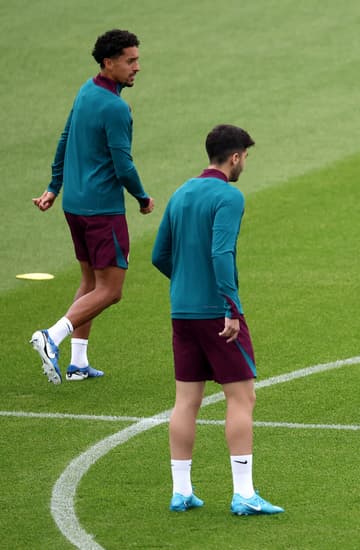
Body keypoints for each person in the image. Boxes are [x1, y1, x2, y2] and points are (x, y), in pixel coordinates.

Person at [152, 124, 283, 516]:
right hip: (217, 313)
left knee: (186, 402)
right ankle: (244, 494)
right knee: (242, 397)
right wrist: (230, 306)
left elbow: (160, 254)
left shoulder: (181, 192)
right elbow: (221, 252)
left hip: (182, 312)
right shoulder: (229, 196)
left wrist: (186, 284)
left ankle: (181, 491)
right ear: (236, 156)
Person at [30, 29, 155, 384]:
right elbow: (123, 164)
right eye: (130, 61)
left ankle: (78, 364)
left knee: (89, 281)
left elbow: (65, 138)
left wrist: (55, 185)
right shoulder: (116, 108)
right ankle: (51, 336)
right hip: (102, 210)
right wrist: (142, 197)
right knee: (111, 290)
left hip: (76, 206)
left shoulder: (86, 91)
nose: (137, 67)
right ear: (108, 63)